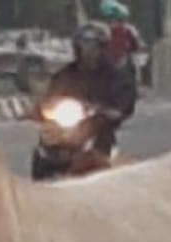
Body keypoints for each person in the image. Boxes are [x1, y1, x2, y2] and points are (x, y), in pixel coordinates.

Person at [38, 22, 136, 156]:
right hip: (64, 126)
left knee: (103, 150)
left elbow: (123, 102)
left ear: (102, 48)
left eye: (92, 46)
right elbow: (50, 96)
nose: (87, 51)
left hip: (97, 127)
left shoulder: (113, 75)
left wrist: (109, 110)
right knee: (44, 145)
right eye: (82, 46)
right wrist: (42, 107)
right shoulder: (65, 74)